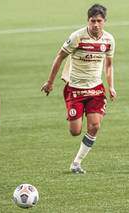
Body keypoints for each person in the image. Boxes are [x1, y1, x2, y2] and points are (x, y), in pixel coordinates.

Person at [41, 4, 116, 174]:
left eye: (99, 21)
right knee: (75, 131)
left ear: (104, 21)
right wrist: (50, 82)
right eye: (92, 21)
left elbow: (109, 65)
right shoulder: (77, 37)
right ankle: (75, 114)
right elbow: (60, 57)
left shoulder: (109, 40)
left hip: (96, 89)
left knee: (95, 126)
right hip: (75, 89)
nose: (96, 24)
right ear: (88, 20)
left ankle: (76, 163)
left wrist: (111, 86)